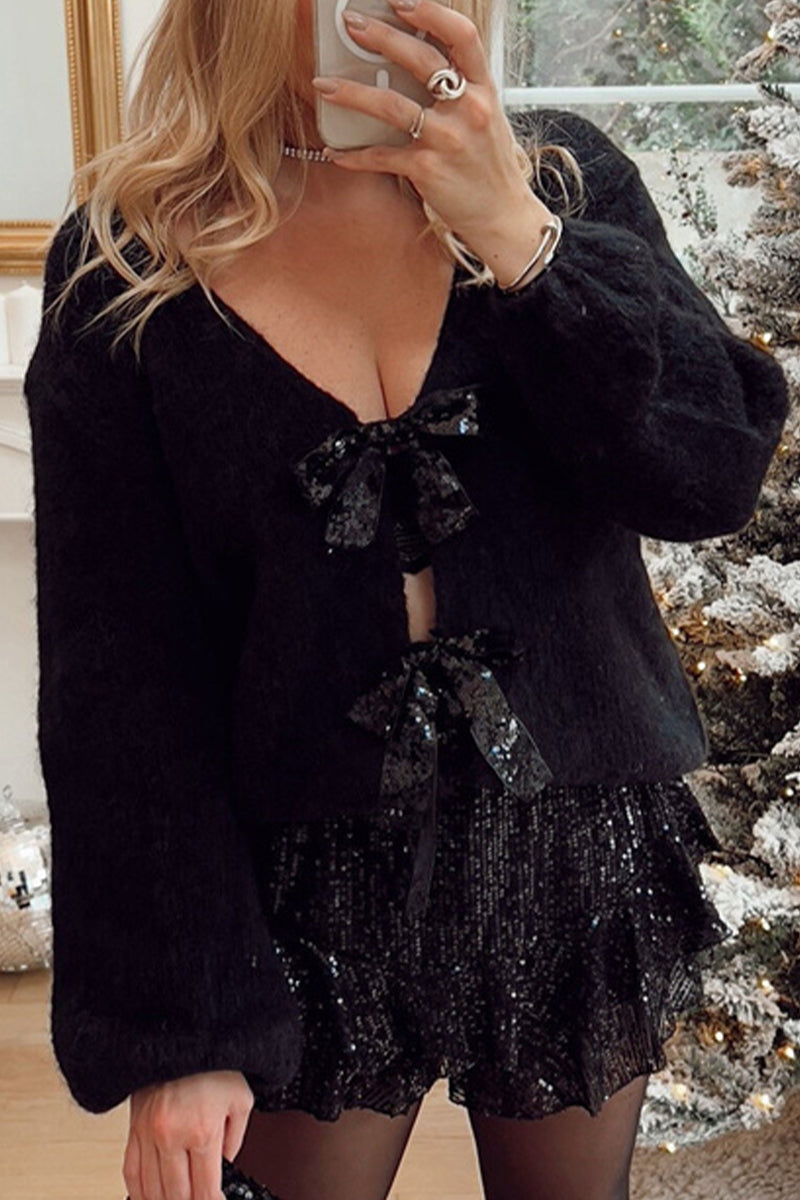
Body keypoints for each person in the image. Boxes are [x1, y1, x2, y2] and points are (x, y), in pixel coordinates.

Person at [23, 0, 790, 1199]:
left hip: (571, 848)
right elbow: (118, 679)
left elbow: (708, 474)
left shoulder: (562, 185)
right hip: (295, 882)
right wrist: (181, 1025)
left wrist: (520, 240)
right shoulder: (128, 261)